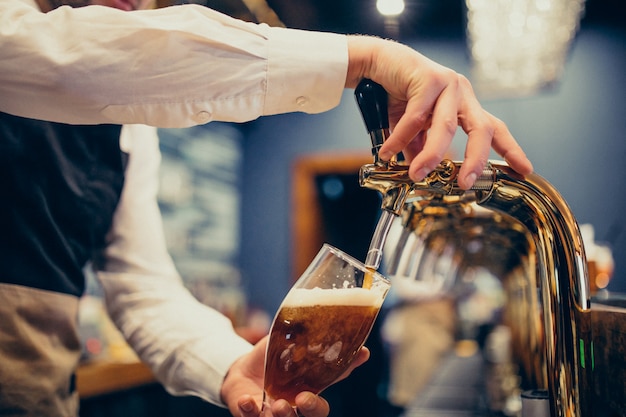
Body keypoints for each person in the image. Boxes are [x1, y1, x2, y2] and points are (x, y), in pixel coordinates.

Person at [0, 0, 534, 416]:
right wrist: (363, 59)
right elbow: (71, 56)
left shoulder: (127, 127)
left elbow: (143, 291)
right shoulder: (17, 36)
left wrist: (230, 363)